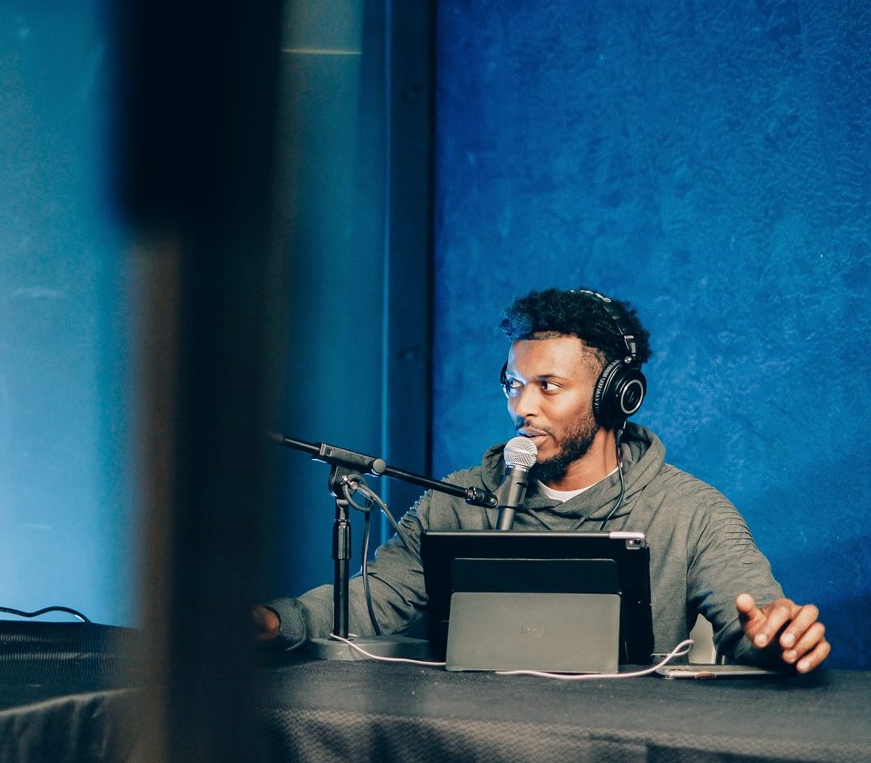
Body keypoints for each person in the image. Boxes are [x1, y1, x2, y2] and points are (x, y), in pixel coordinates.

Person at [254, 288, 830, 673]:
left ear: (614, 396)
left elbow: (753, 617)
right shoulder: (457, 499)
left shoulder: (692, 512)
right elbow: (374, 598)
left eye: (549, 386)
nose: (522, 407)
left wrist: (776, 638)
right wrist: (278, 621)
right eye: (513, 385)